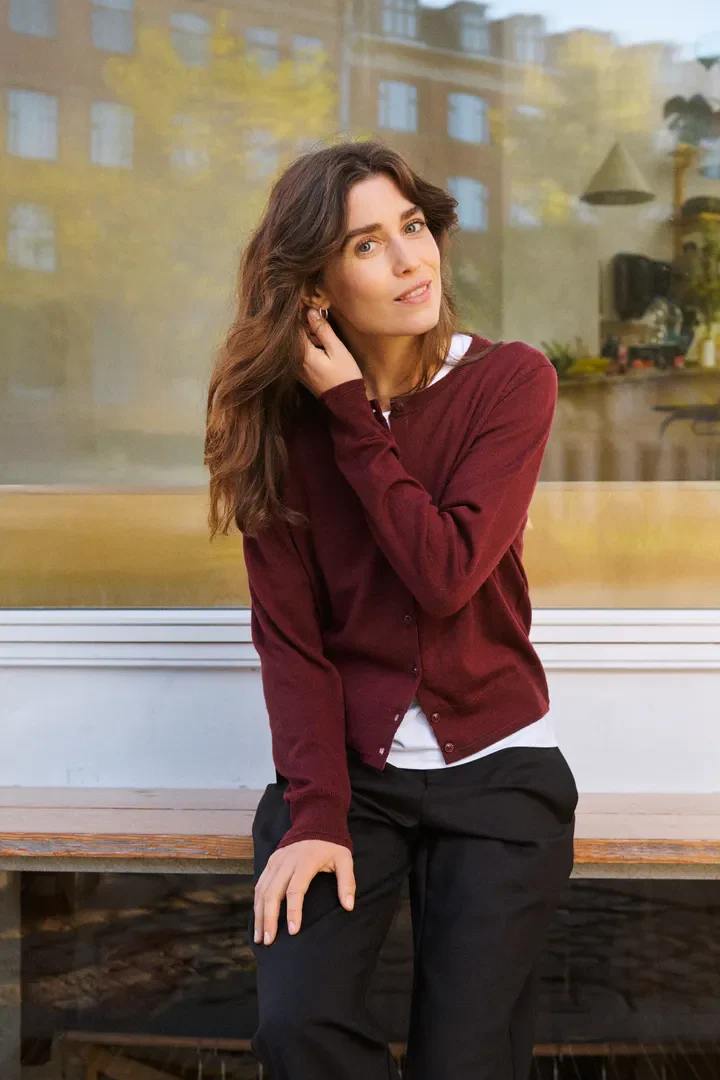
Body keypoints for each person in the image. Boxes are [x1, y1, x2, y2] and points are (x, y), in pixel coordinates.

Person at [204, 139, 578, 1080]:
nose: (412, 260)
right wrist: (315, 816)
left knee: (467, 1061)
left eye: (413, 227)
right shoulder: (278, 428)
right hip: (347, 778)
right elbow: (292, 646)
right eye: (367, 245)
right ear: (315, 288)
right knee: (299, 1027)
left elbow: (444, 573)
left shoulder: (510, 381)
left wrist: (353, 418)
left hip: (498, 774)